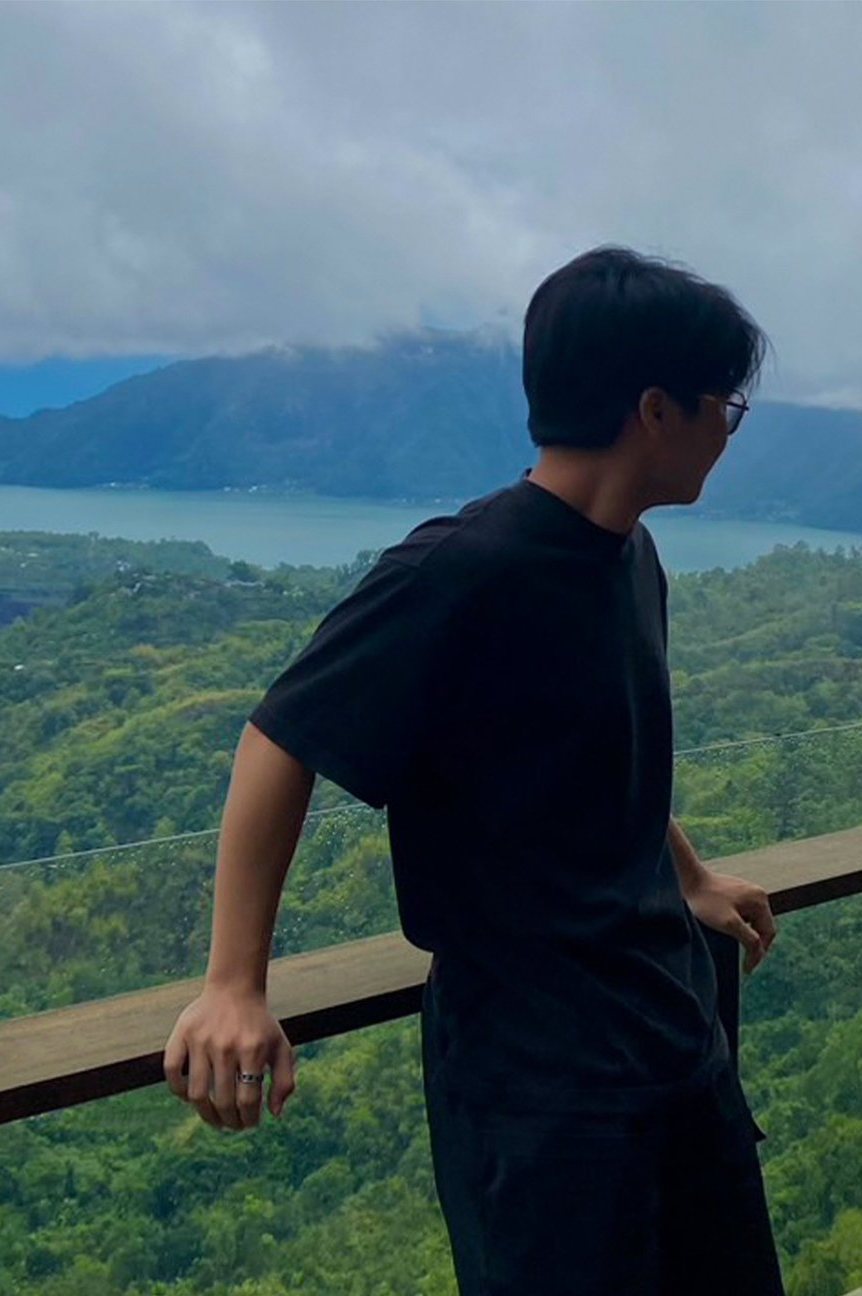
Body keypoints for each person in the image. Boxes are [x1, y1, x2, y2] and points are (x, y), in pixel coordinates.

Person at [163, 245, 784, 1295]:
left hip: (669, 1038)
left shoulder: (628, 554)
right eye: (726, 403)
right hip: (540, 1088)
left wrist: (686, 875)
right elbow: (280, 739)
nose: (732, 428)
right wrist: (235, 984)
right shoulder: (461, 570)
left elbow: (593, 749)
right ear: (655, 411)